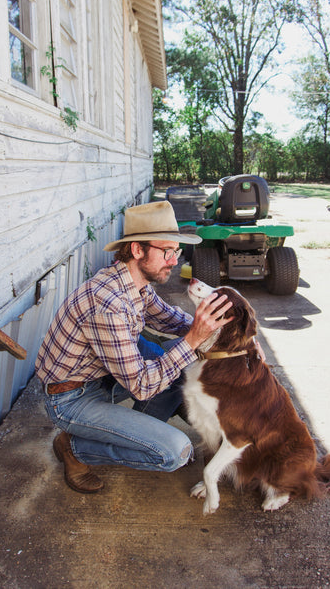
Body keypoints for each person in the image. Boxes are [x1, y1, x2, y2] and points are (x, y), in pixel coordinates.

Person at [35, 200, 234, 493]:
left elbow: (171, 318)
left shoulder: (134, 282)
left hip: (102, 377)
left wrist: (225, 333)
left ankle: (127, 431)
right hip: (71, 398)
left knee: (176, 367)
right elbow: (142, 385)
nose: (174, 260)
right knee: (173, 452)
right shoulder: (108, 302)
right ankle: (73, 448)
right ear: (138, 250)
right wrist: (193, 341)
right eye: (167, 251)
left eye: (176, 251)